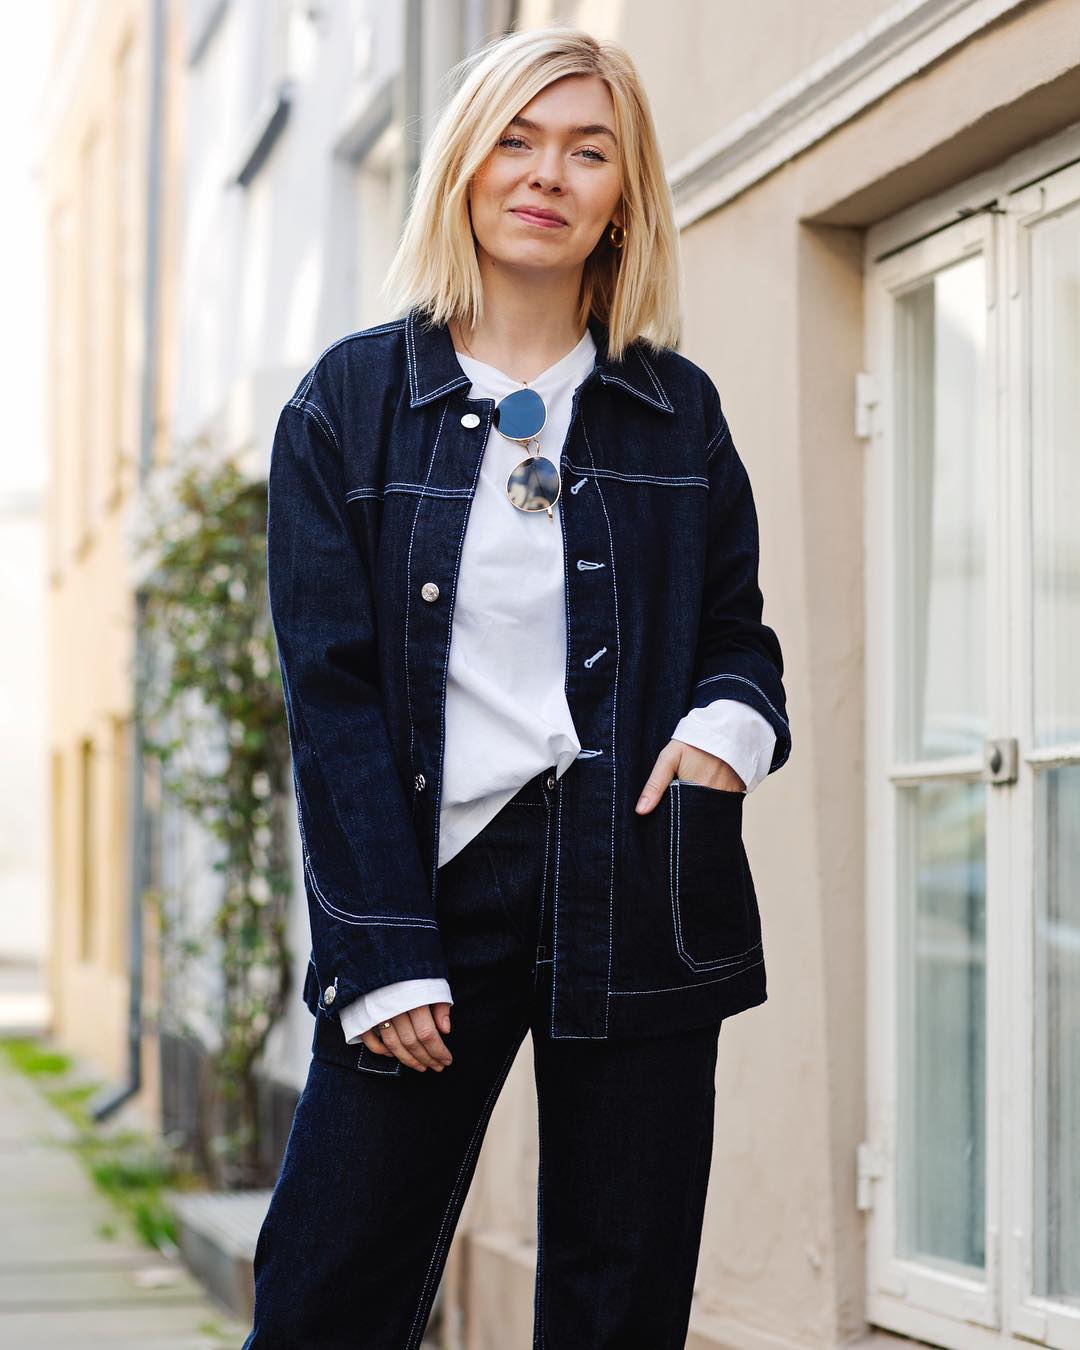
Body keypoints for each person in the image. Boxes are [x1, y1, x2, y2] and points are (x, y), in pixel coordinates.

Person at [243, 23, 791, 1350]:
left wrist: (727, 733)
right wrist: (379, 950)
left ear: (624, 198)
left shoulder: (678, 411)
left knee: (620, 1303)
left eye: (588, 151)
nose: (547, 173)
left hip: (641, 867)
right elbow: (331, 698)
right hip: (432, 881)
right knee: (325, 1294)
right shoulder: (348, 404)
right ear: (464, 166)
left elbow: (738, 634)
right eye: (517, 139)